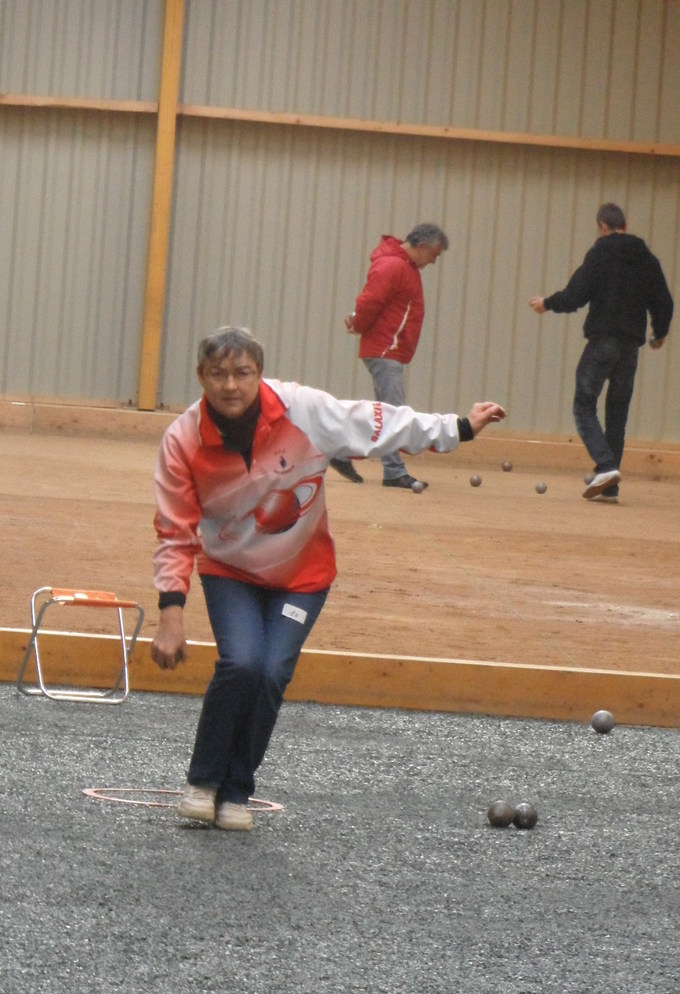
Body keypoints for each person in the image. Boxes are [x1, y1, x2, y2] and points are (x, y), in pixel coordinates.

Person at [150, 325, 505, 832]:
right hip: (230, 569)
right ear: (201, 376)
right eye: (219, 374)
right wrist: (170, 615)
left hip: (303, 575)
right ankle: (203, 783)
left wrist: (459, 428)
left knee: (272, 671)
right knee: (243, 662)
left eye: (243, 373)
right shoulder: (183, 440)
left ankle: (236, 793)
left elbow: (376, 422)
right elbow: (174, 531)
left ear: (259, 373)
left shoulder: (301, 410)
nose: (231, 385)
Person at [529, 202, 672, 503]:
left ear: (602, 226)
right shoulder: (646, 258)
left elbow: (576, 295)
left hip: (603, 340)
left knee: (584, 404)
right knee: (617, 414)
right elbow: (664, 301)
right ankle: (610, 487)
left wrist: (547, 303)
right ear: (626, 224)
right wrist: (659, 334)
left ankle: (606, 467)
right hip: (630, 347)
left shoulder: (600, 253)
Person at [335, 222, 450, 490]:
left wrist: (358, 323)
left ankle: (340, 453)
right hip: (386, 349)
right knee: (392, 414)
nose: (433, 261)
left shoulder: (402, 267)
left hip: (389, 349)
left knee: (384, 412)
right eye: (434, 255)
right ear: (421, 246)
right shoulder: (394, 266)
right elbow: (369, 301)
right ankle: (393, 470)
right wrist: (359, 324)